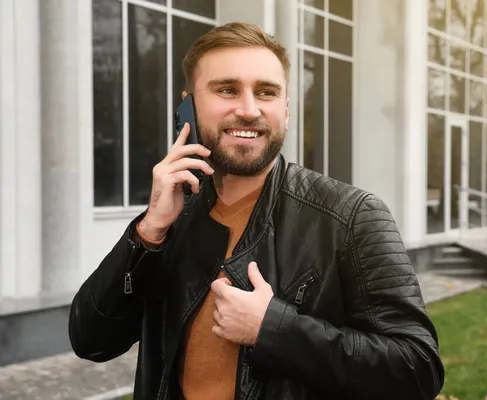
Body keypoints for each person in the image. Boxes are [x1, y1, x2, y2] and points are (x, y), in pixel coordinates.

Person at [69, 22, 444, 400]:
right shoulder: (172, 221)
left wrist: (273, 329)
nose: (249, 110)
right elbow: (91, 341)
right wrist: (148, 231)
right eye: (227, 89)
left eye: (266, 92)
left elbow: (417, 369)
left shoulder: (352, 216)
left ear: (285, 108)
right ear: (188, 106)